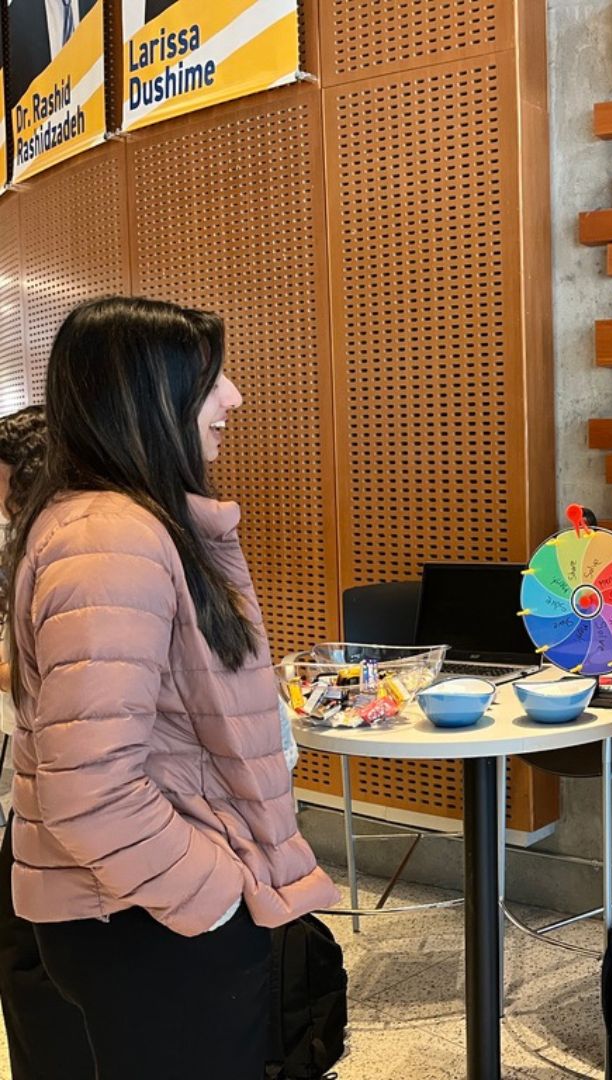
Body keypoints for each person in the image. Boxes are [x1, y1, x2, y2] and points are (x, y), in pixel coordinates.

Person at [1, 296, 338, 1080]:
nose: (234, 398)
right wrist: (212, 894)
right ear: (149, 396)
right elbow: (90, 788)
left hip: (134, 910)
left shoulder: (118, 523)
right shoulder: (112, 539)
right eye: (213, 378)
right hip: (145, 918)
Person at [0, 405, 98, 1080]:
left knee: (43, 971)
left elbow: (50, 670)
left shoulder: (69, 550)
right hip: (32, 786)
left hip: (65, 805)